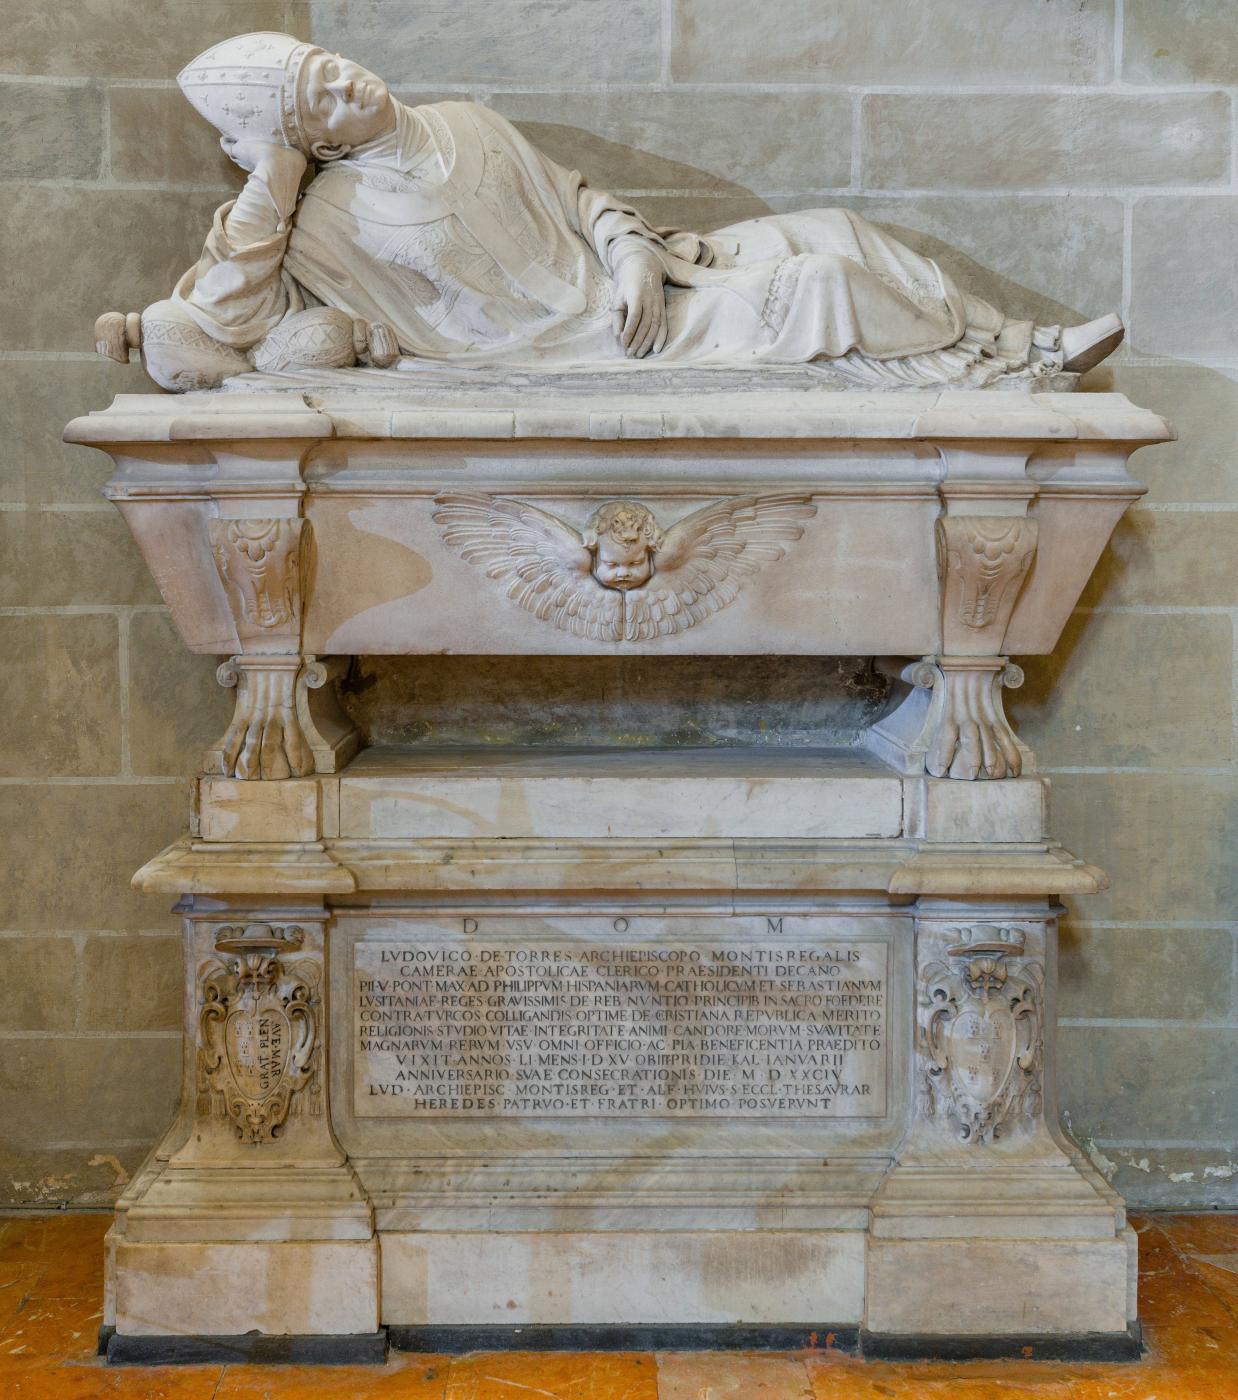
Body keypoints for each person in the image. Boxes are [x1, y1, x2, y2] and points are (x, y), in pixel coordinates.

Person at [97, 31, 1124, 392]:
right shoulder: (328, 221)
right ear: (302, 137)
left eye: (331, 68)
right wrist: (270, 180)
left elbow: (581, 200)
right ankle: (1017, 372)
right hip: (588, 341)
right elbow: (227, 318)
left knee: (829, 228)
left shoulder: (463, 120)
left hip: (637, 277)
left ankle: (1011, 342)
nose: (347, 85)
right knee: (820, 284)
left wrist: (632, 251)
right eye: (316, 99)